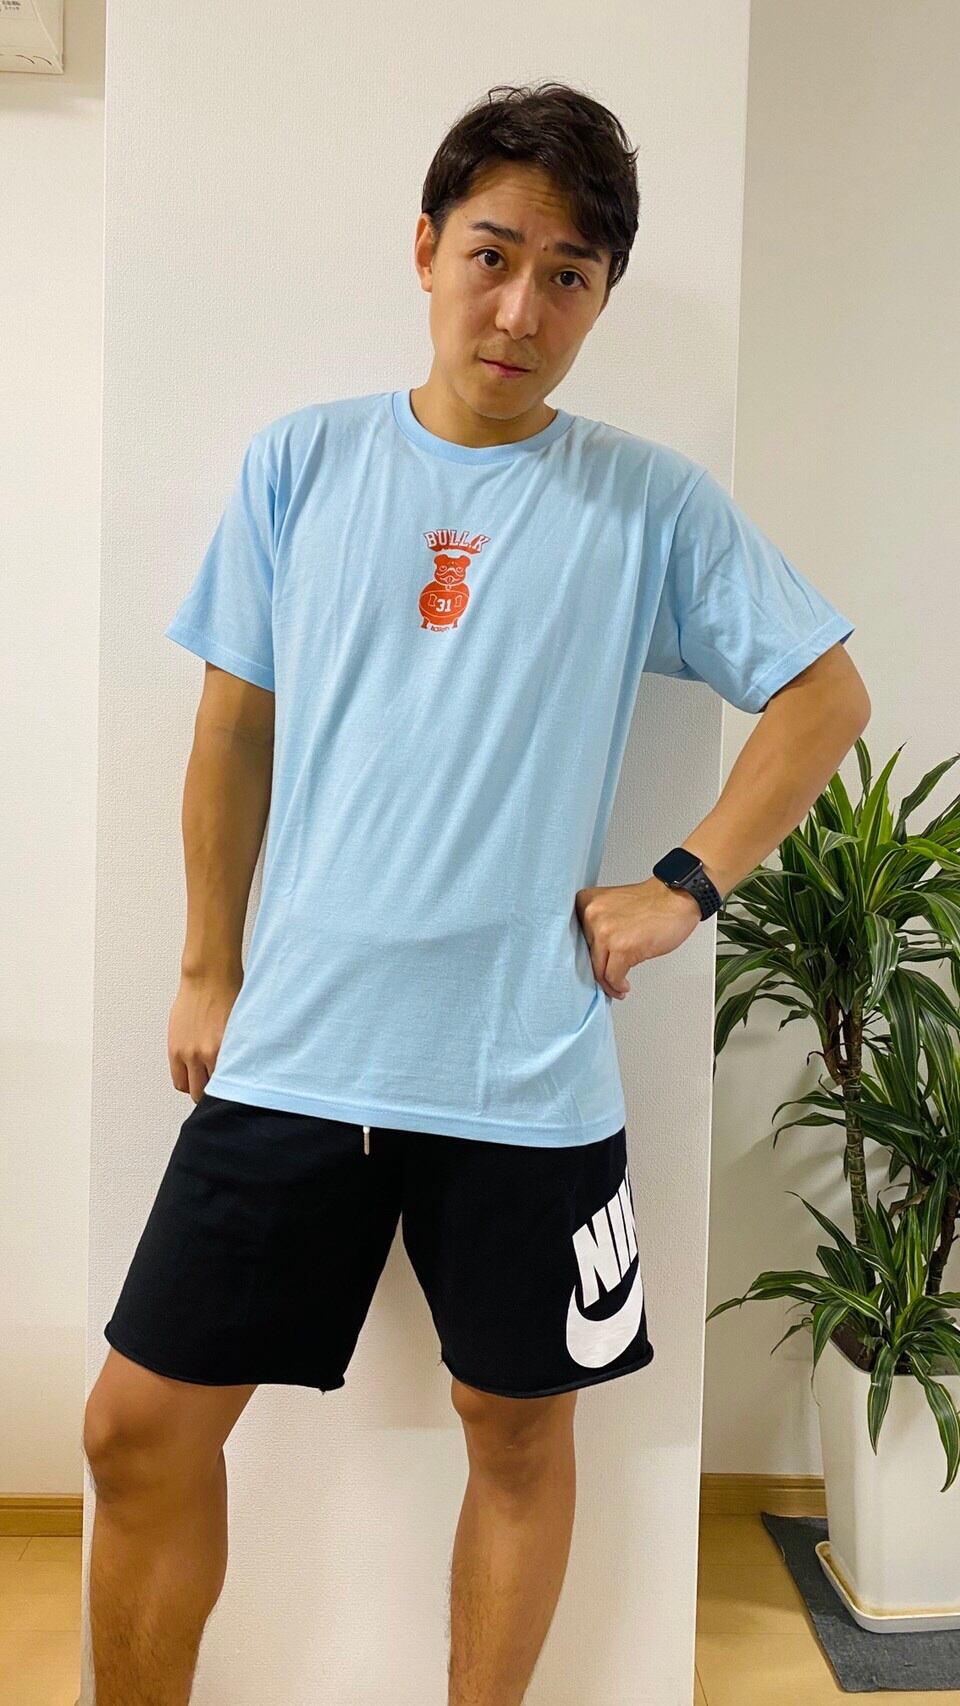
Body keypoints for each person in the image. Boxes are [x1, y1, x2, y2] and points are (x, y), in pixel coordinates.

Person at [81, 79, 870, 1706]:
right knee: (134, 1428)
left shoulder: (647, 502)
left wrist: (684, 884)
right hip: (300, 1046)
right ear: (428, 247)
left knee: (515, 1428)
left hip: (526, 1069)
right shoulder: (302, 463)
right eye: (494, 255)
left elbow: (824, 695)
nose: (520, 309)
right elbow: (232, 733)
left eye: (568, 275)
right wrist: (207, 962)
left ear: (601, 296)